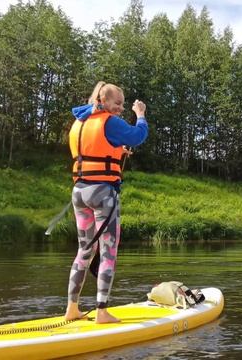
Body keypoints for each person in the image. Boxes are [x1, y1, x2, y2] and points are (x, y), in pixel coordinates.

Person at [65, 81, 148, 323]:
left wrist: (118, 151)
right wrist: (140, 115)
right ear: (103, 101)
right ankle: (102, 311)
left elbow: (94, 149)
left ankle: (72, 309)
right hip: (103, 194)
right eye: (118, 103)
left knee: (85, 250)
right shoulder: (109, 121)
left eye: (123, 104)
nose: (121, 108)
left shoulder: (79, 122)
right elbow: (138, 135)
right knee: (108, 251)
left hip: (79, 193)